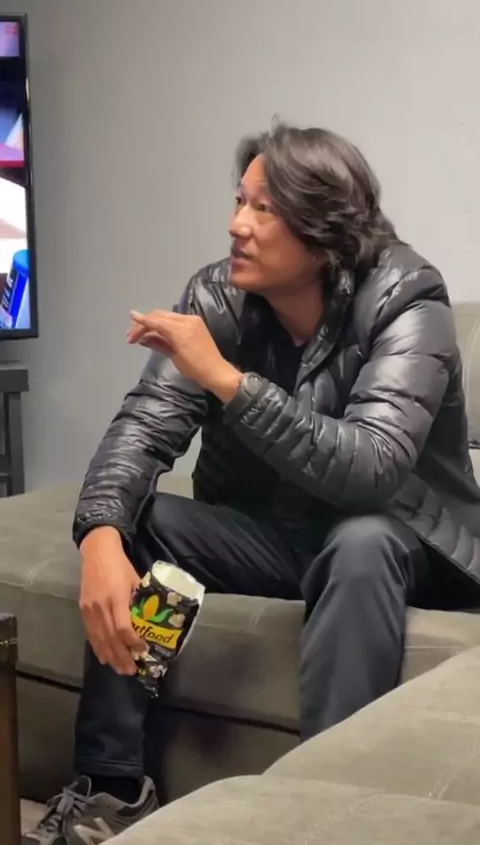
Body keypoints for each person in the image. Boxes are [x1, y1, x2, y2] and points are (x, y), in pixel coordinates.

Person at [25, 123, 480, 845]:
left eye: (264, 209)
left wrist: (227, 381)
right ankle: (110, 790)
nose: (237, 224)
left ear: (323, 233)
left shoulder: (407, 297)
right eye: (240, 201)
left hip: (402, 541)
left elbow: (370, 467)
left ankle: (324, 809)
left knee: (359, 543)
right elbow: (144, 426)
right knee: (142, 521)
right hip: (273, 536)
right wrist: (103, 536)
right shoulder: (217, 296)